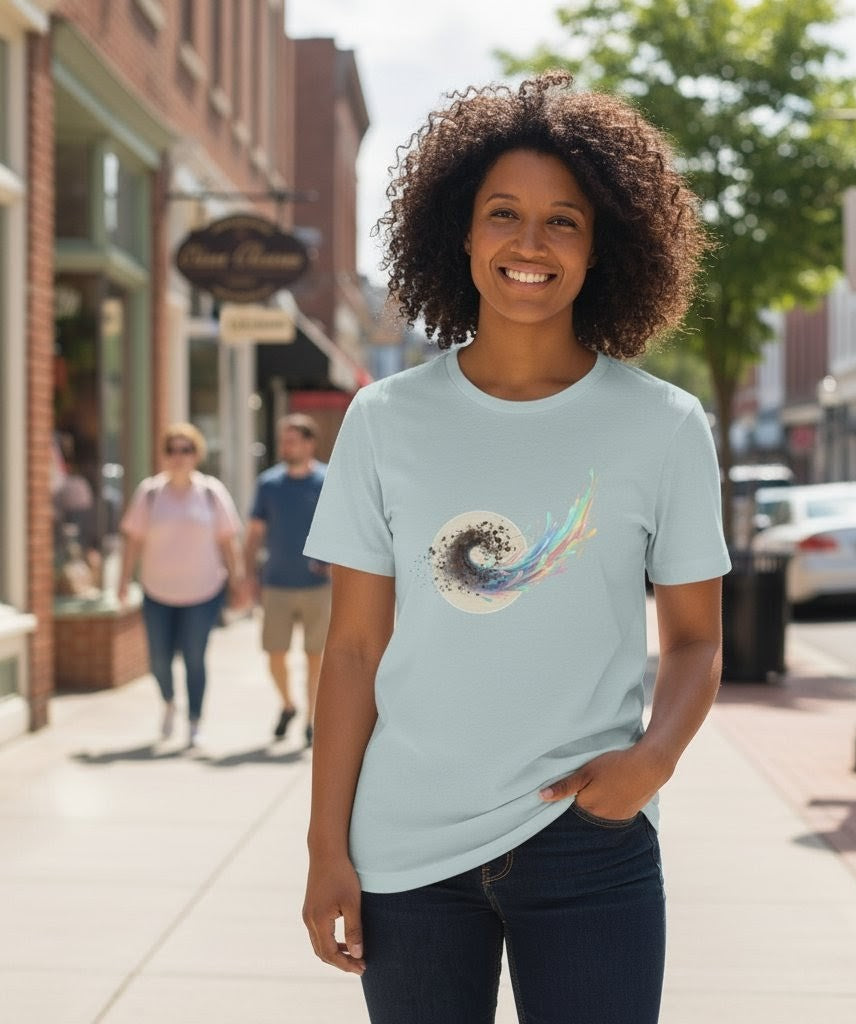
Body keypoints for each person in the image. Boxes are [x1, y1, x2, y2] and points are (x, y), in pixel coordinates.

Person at [301, 71, 730, 1023]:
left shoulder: (663, 427)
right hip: (406, 847)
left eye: (563, 221)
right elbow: (355, 651)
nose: (529, 244)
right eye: (504, 213)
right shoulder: (383, 420)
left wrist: (650, 763)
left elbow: (697, 640)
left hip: (590, 842)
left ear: (600, 246)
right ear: (461, 230)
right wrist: (326, 846)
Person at [118, 423, 245, 746]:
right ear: (164, 455)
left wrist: (238, 582)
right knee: (158, 659)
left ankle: (194, 720)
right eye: (172, 450)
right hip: (156, 590)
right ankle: (169, 703)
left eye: (185, 449)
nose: (178, 456)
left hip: (203, 591)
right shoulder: (149, 493)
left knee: (194, 657)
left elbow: (228, 543)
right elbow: (132, 542)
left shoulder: (211, 492)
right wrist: (121, 582)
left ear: (196, 454)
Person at [244, 414, 331, 745]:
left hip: (317, 587)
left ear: (310, 443)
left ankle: (311, 719)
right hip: (276, 583)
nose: (287, 445)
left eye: (294, 439)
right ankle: (288, 704)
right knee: (275, 654)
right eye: (284, 439)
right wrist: (247, 576)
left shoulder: (327, 480)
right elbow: (254, 533)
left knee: (315, 657)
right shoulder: (269, 484)